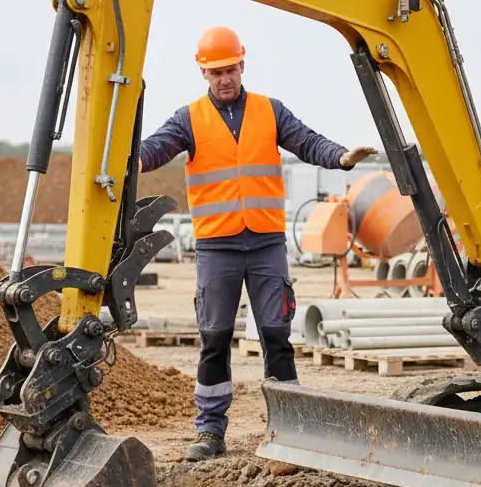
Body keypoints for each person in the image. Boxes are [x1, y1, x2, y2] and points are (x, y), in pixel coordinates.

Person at [139, 25, 377, 460]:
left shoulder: (271, 111)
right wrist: (128, 158)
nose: (224, 79)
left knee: (276, 334)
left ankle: (291, 427)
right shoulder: (188, 119)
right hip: (217, 246)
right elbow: (155, 149)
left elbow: (307, 141)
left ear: (242, 65)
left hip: (265, 243)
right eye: (216, 73)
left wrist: (341, 157)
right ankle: (210, 432)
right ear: (203, 73)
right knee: (214, 337)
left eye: (230, 70)